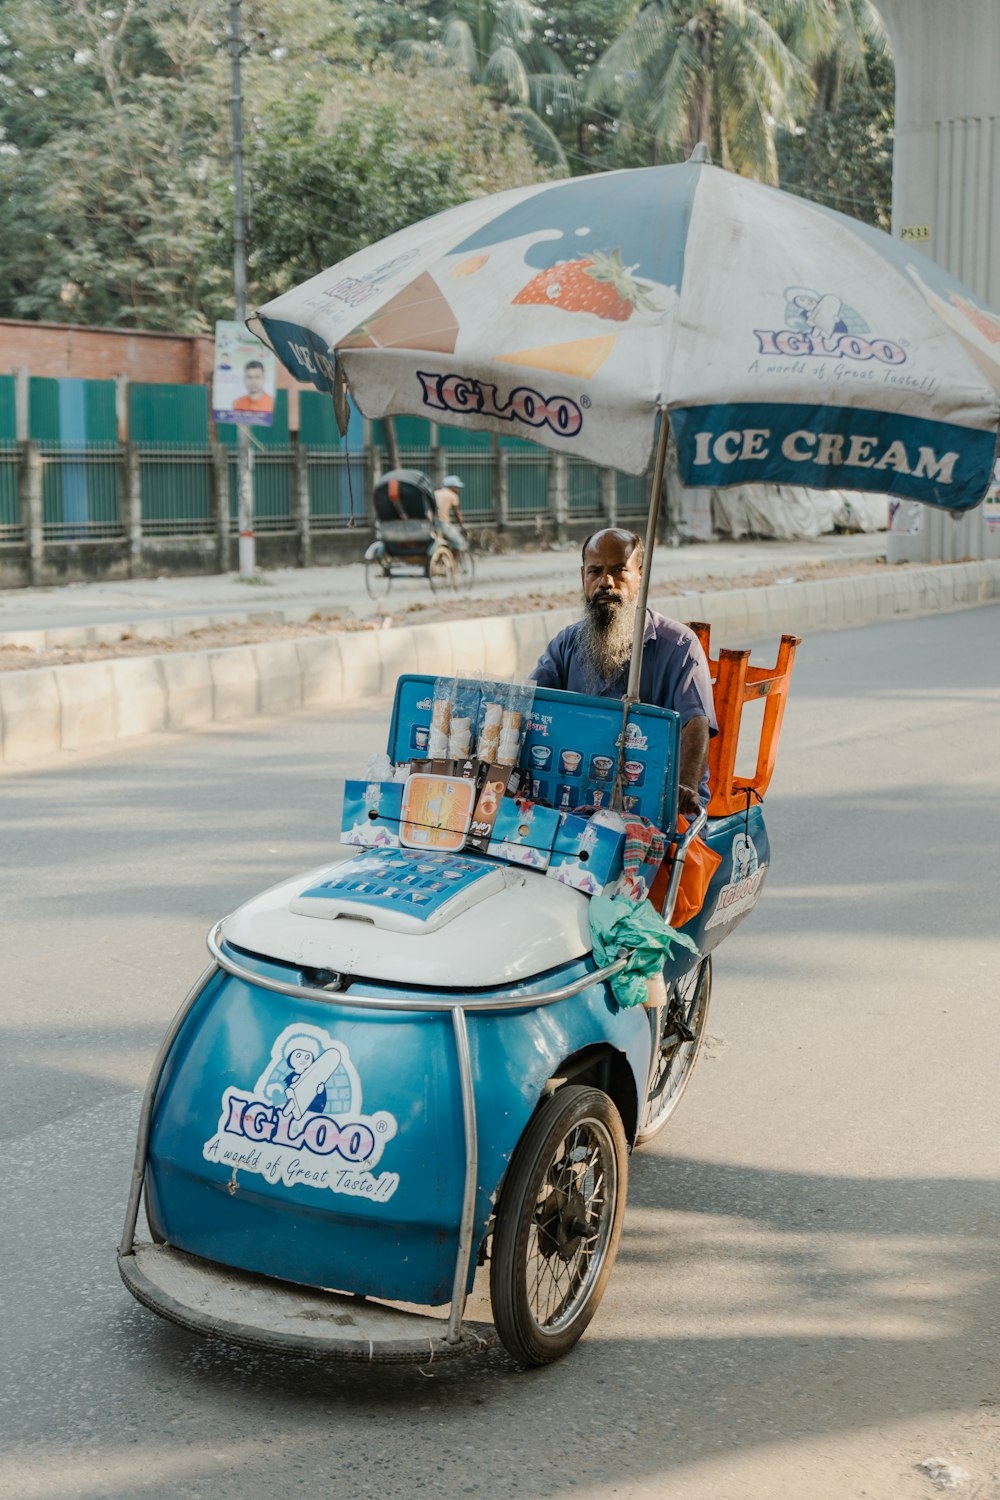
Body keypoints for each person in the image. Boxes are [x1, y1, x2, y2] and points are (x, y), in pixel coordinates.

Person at [530, 528, 716, 817]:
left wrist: (684, 787)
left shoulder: (679, 644)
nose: (606, 582)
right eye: (595, 572)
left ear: (639, 576)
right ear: (583, 577)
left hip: (653, 801)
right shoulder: (566, 643)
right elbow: (532, 703)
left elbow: (696, 725)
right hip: (580, 795)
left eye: (619, 571)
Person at [434, 474, 468, 552]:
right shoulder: (453, 496)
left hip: (431, 524)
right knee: (459, 542)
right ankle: (453, 563)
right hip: (443, 524)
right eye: (457, 487)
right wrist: (462, 525)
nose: (458, 490)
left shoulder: (435, 493)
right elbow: (457, 514)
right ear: (451, 487)